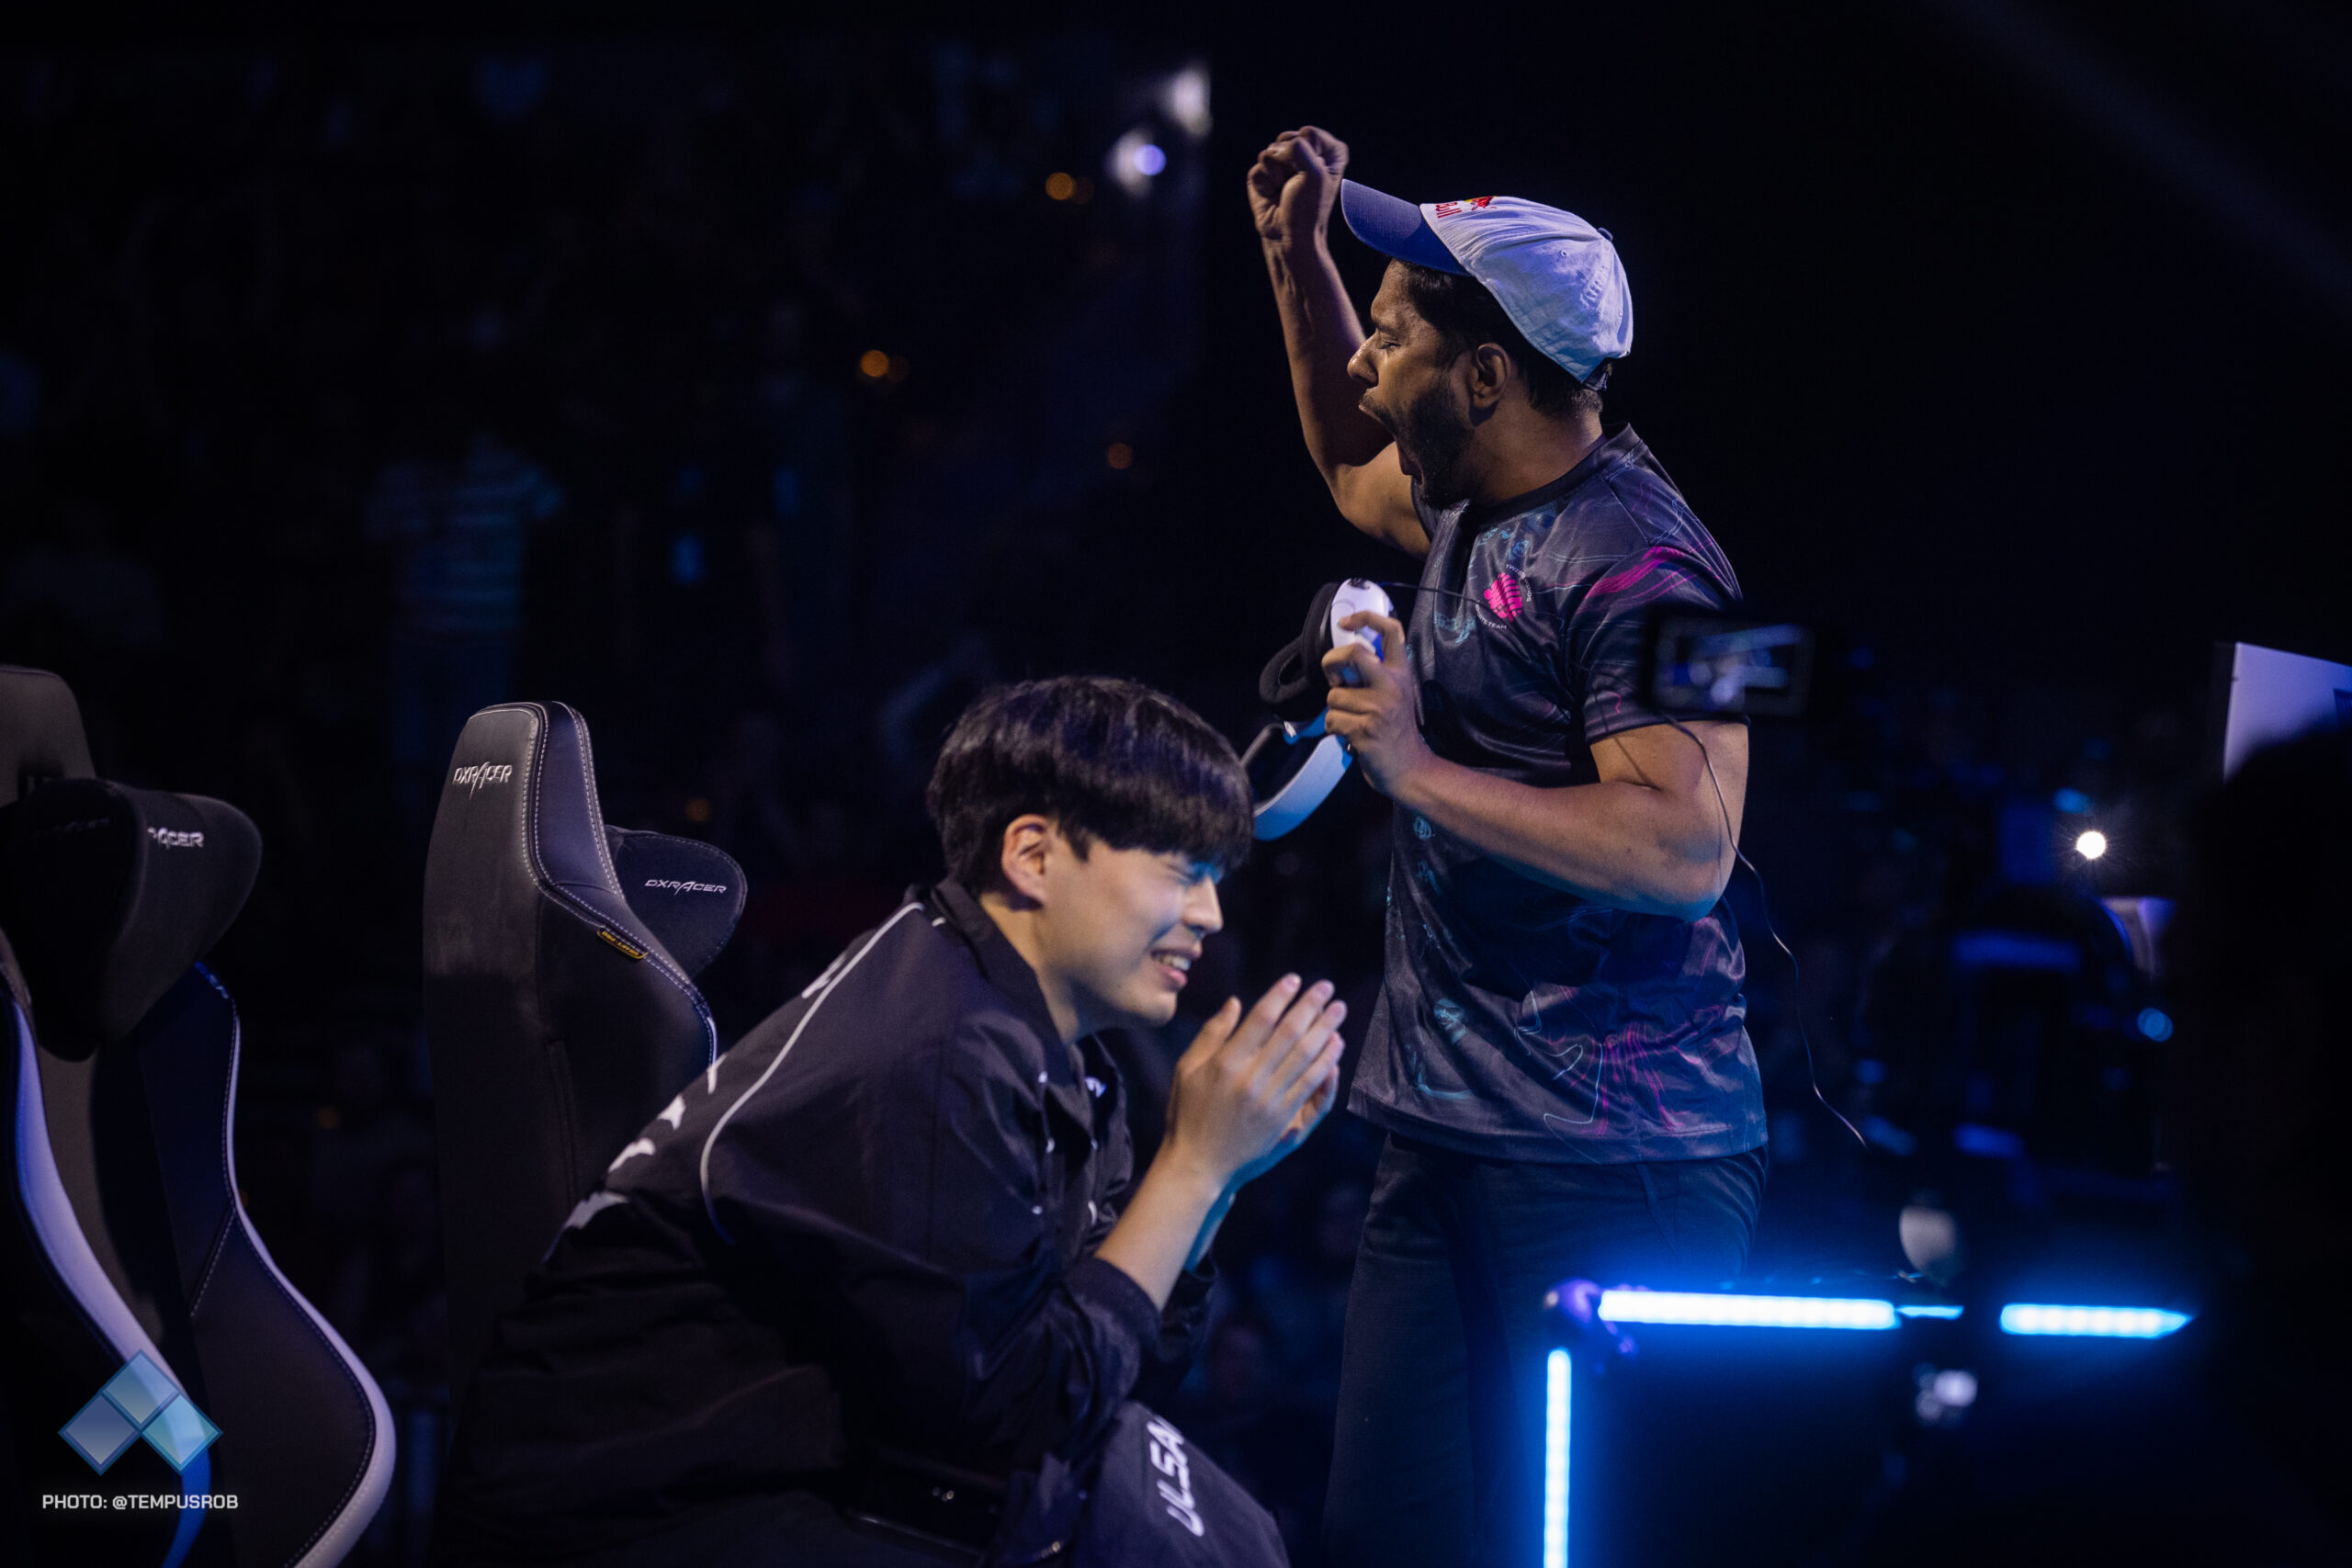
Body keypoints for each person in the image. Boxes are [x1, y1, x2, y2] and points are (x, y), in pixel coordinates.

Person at [434, 676, 1345, 1565]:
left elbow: (1116, 1361)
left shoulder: (1041, 1044)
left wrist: (1214, 1176)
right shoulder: (937, 1054)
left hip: (779, 1480)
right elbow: (1019, 1422)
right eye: (1182, 871)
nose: (1209, 914)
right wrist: (1193, 1168)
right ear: (1032, 857)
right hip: (625, 1517)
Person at [1247, 127, 1767, 1566]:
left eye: (1392, 332)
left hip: (1620, 1166)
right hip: (1446, 1132)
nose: (1368, 358)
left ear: (1485, 374)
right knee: (1384, 1539)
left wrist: (1412, 765)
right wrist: (1295, 256)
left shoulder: (1661, 570)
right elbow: (1350, 460)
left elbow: (1687, 848)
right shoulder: (1469, 491)